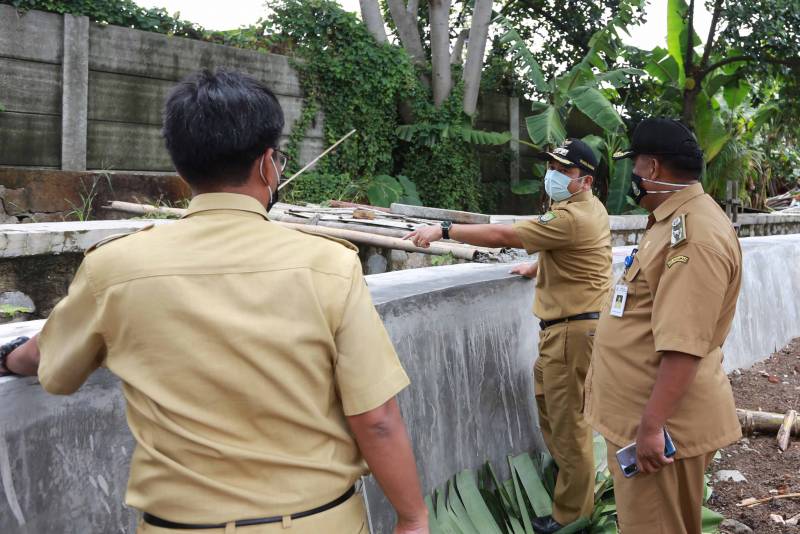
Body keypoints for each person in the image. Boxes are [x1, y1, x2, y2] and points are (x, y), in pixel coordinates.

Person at [0, 69, 429, 534]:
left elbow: (48, 360)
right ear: (267, 165)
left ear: (182, 168)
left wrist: (10, 358)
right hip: (319, 521)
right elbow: (377, 419)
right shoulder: (330, 265)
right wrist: (412, 518)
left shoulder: (114, 267)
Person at [405, 138, 612, 533]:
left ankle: (572, 518)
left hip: (572, 332)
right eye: (552, 166)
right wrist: (537, 267)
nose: (553, 174)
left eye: (563, 170)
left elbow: (504, 236)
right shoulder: (585, 208)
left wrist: (444, 229)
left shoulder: (572, 217)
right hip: (568, 329)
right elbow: (574, 252)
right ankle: (574, 495)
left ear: (585, 180)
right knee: (553, 413)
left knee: (568, 426)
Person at [584, 118, 742, 534]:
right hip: (644, 417)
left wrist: (652, 427)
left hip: (658, 428)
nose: (633, 175)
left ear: (652, 167)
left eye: (635, 164)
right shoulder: (671, 220)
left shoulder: (694, 236)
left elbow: (684, 344)